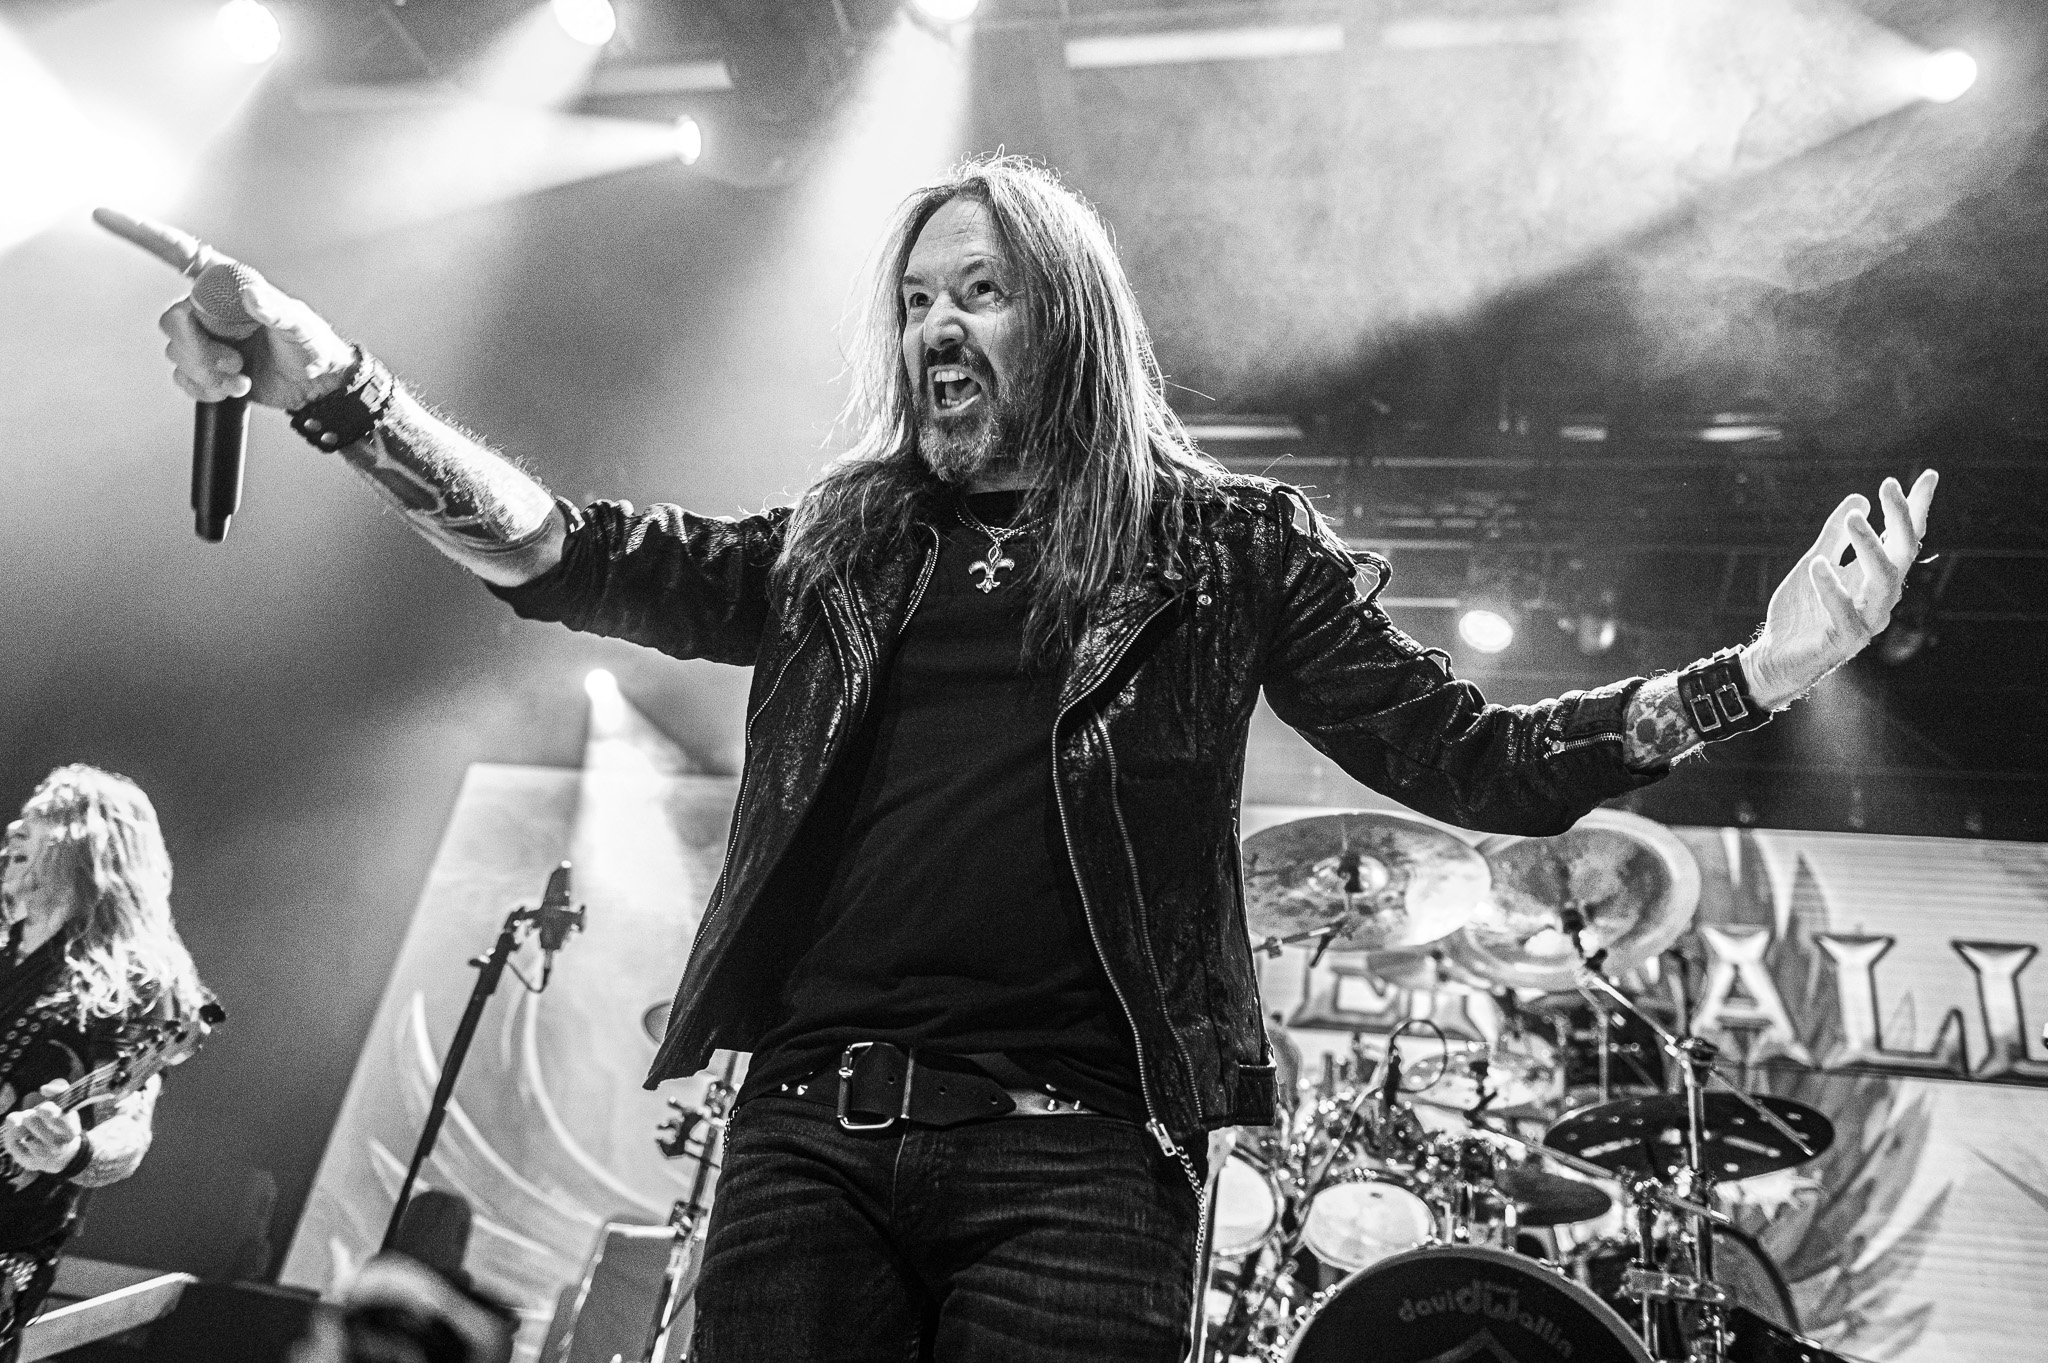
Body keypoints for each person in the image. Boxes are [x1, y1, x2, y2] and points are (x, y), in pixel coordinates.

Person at [151, 155, 1936, 1361]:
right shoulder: (842, 538)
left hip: (1081, 1167)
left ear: (1065, 318)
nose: (935, 325)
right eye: (916, 296)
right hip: (808, 1135)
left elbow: (1480, 761)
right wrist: (340, 388)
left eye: (981, 291)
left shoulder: (1226, 548)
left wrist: (1757, 674)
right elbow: (571, 552)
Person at [0, 766, 213, 1363]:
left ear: (94, 844)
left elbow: (128, 1130)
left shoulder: (133, 983)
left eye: (46, 815)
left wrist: (71, 1152)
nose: (14, 828)